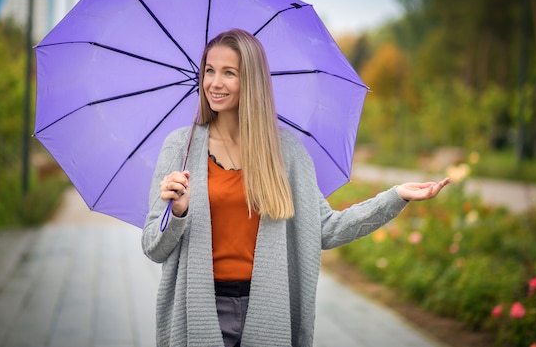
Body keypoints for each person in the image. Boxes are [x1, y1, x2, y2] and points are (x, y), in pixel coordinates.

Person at [142, 28, 450, 347]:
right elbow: (153, 246)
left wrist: (395, 197)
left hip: (267, 310)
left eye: (229, 73)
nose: (214, 83)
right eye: (209, 70)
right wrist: (177, 213)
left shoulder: (285, 152)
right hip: (197, 312)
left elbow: (326, 229)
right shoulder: (181, 147)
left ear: (252, 81)